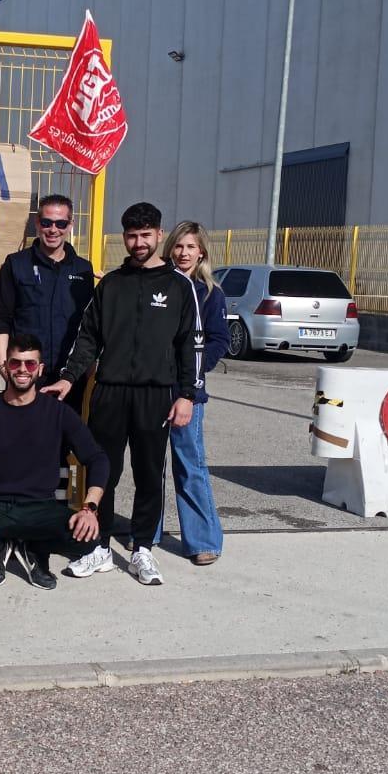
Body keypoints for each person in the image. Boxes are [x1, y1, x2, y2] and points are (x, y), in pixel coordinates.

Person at [43, 201, 196, 587]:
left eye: (146, 235)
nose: (139, 242)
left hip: (155, 395)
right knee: (104, 470)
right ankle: (100, 547)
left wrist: (187, 395)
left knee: (148, 473)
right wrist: (67, 377)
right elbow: (88, 338)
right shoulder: (111, 284)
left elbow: (189, 346)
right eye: (132, 235)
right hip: (110, 392)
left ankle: (142, 547)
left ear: (159, 236)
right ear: (124, 237)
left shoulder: (180, 287)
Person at [0, 334, 109, 589]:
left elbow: (97, 459)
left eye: (30, 364)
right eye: (15, 363)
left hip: (41, 505)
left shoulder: (58, 413)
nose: (22, 370)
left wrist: (89, 508)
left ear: (40, 369)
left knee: (87, 538)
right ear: (5, 366)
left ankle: (35, 552)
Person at [156, 221, 229, 566]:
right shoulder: (159, 285)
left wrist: (196, 372)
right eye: (178, 246)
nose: (184, 253)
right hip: (153, 390)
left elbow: (219, 340)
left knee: (189, 465)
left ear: (202, 252)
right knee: (150, 465)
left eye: (191, 247)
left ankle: (202, 540)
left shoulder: (211, 293)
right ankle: (147, 532)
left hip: (189, 394)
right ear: (169, 248)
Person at [0, 193, 95, 389]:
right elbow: (0, 319)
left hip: (69, 378)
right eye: (47, 222)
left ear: (70, 225)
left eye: (61, 224)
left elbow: (89, 326)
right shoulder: (16, 264)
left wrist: (84, 370)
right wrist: (4, 368)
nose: (53, 229)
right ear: (37, 223)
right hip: (26, 374)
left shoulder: (83, 269)